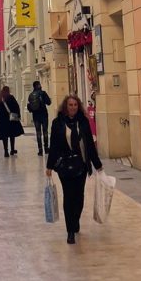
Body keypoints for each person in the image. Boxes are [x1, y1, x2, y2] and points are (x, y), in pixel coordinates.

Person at [46, 94, 102, 244]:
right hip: (64, 166)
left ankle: (75, 219)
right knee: (68, 196)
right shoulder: (57, 123)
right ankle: (70, 230)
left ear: (79, 107)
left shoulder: (83, 122)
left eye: (75, 105)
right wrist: (49, 166)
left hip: (80, 165)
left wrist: (97, 165)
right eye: (70, 105)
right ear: (65, 107)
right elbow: (54, 146)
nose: (73, 107)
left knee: (79, 197)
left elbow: (89, 145)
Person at [0, 85, 25, 158]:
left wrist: (0, 116)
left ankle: (6, 151)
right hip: (11, 120)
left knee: (4, 136)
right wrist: (18, 115)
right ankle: (12, 150)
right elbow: (17, 107)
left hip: (2, 121)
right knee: (12, 135)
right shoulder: (11, 98)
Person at [26, 80, 53, 156]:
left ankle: (40, 150)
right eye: (40, 84)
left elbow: (30, 107)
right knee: (45, 131)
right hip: (44, 115)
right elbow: (49, 102)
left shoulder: (31, 95)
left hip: (35, 116)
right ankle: (46, 149)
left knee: (38, 132)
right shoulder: (43, 93)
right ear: (38, 85)